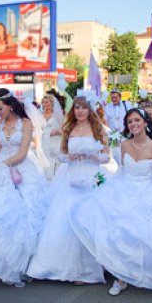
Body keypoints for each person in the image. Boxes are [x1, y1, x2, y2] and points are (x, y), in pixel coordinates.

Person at [70, 107, 152, 295]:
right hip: (125, 189)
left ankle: (140, 271)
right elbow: (122, 170)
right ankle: (121, 277)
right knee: (119, 232)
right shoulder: (124, 145)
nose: (133, 124)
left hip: (147, 191)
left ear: (145, 123)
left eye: (137, 120)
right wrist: (109, 185)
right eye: (130, 122)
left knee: (142, 233)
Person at [26, 96, 109, 285]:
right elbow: (61, 155)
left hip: (93, 176)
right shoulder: (68, 129)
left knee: (90, 218)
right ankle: (51, 265)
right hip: (69, 177)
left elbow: (106, 157)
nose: (80, 111)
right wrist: (70, 157)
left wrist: (92, 156)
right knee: (61, 219)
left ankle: (85, 269)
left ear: (90, 110)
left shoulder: (98, 129)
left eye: (84, 108)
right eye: (77, 107)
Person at [0, 89, 47, 286]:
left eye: (0, 108)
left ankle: (22, 263)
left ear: (10, 105)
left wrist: (2, 165)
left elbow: (22, 153)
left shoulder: (26, 123)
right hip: (0, 172)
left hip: (22, 171)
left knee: (24, 218)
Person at [40, 92, 64, 180]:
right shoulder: (40, 115)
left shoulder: (57, 114)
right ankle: (48, 181)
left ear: (52, 103)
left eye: (47, 102)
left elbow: (64, 130)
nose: (45, 104)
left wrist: (57, 132)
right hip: (44, 142)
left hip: (55, 142)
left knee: (57, 164)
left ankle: (57, 182)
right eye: (43, 102)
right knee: (46, 164)